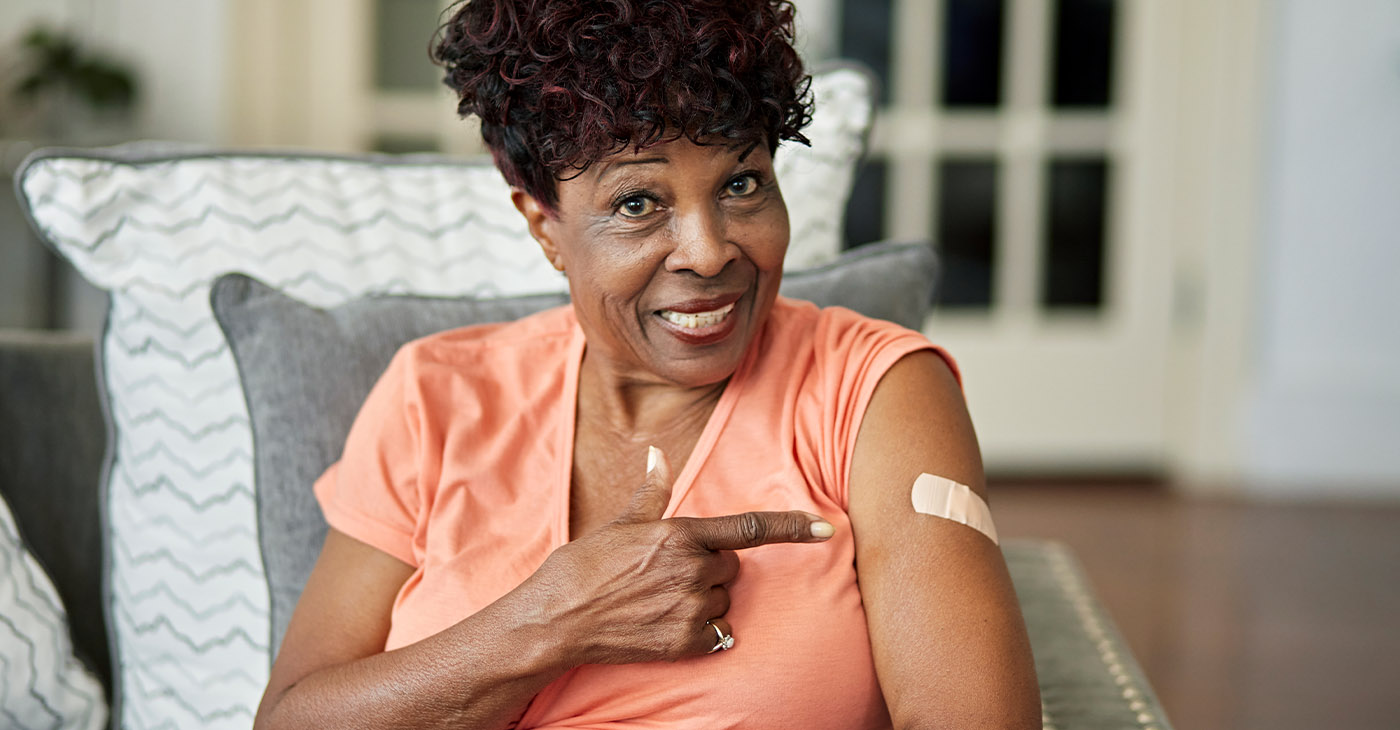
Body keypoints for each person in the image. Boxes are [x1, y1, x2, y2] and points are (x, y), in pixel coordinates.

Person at [253, 1, 1039, 728]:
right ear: (545, 227)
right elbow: (291, 717)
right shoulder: (437, 396)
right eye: (639, 203)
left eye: (741, 183)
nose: (708, 251)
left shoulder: (872, 391)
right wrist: (558, 617)